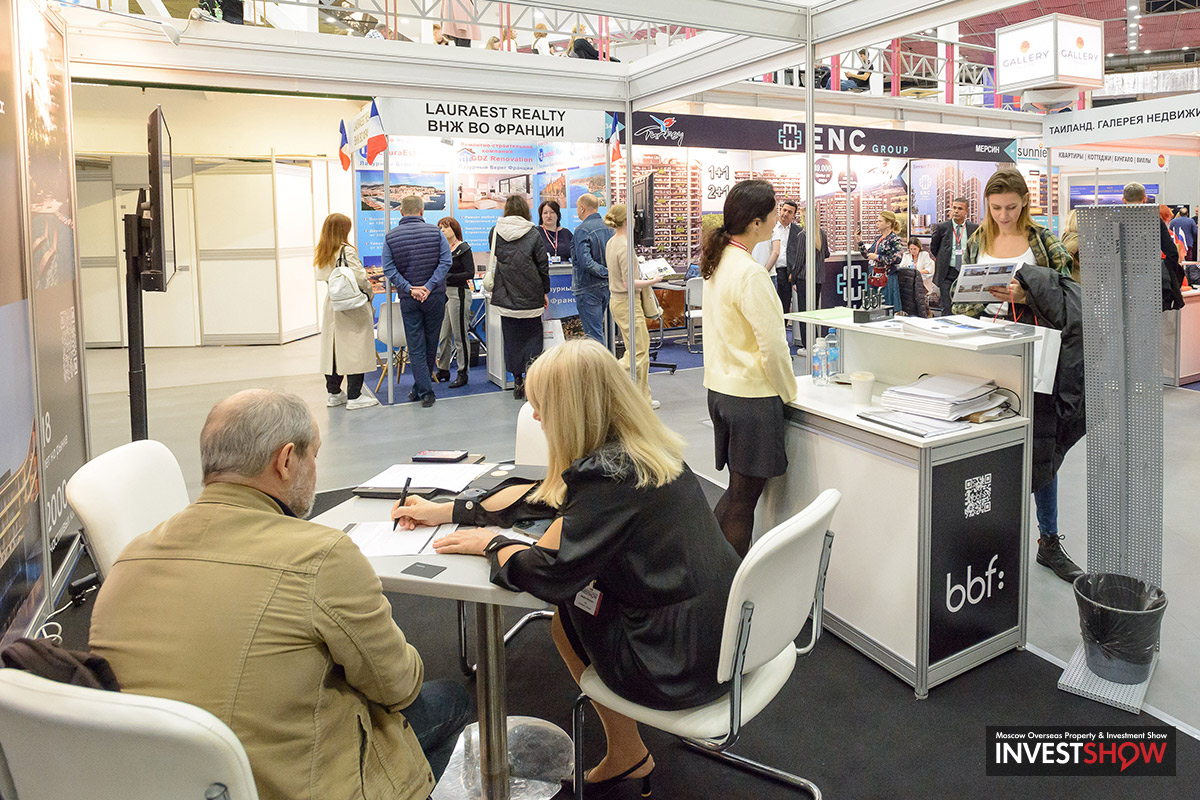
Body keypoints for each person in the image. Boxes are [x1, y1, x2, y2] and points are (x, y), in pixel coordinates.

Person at [391, 340, 740, 796]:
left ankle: (627, 752)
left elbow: (548, 575)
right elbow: (546, 495)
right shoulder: (642, 452)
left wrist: (491, 543)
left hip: (675, 664)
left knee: (572, 604)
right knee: (577, 604)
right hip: (723, 636)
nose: (535, 415)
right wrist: (450, 510)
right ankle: (627, 752)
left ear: (573, 409)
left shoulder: (608, 478)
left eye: (542, 406)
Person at [89, 389, 472, 800]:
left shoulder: (128, 560)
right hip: (295, 785)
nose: (315, 469)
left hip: (165, 784)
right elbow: (399, 685)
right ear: (286, 460)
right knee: (451, 699)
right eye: (314, 455)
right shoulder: (322, 557)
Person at [955, 170, 1083, 584]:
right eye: (996, 208)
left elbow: (1069, 295)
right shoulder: (976, 240)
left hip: (1034, 351)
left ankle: (1049, 541)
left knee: (1041, 448)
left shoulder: (1043, 240)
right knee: (983, 444)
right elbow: (961, 295)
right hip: (983, 349)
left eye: (1011, 207)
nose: (1004, 215)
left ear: (1025, 202)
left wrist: (1029, 294)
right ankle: (988, 538)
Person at [701, 180, 798, 557]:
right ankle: (727, 582)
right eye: (773, 214)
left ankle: (710, 570)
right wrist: (789, 392)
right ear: (756, 222)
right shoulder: (751, 273)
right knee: (743, 503)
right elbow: (773, 347)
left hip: (721, 392)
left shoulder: (719, 261)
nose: (777, 221)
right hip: (752, 402)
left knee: (736, 495)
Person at [383, 195, 452, 408]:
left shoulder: (391, 237)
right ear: (422, 211)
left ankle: (421, 388)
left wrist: (410, 288)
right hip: (435, 296)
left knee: (416, 345)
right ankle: (425, 390)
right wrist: (429, 287)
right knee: (431, 342)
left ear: (401, 212)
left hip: (409, 299)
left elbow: (389, 269)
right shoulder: (436, 232)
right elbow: (445, 262)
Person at [487, 194, 549, 399]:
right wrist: (545, 291)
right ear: (525, 210)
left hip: (505, 293)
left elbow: (498, 257)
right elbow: (542, 264)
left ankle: (517, 380)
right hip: (531, 292)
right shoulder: (533, 232)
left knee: (511, 339)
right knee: (533, 337)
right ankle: (532, 380)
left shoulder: (495, 231)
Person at [314, 213, 378, 410]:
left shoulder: (323, 251)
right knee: (355, 348)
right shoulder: (346, 251)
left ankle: (334, 393)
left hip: (332, 303)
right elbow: (360, 279)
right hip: (352, 305)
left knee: (332, 349)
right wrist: (369, 294)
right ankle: (354, 395)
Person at [605, 204, 659, 410]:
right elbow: (629, 283)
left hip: (618, 302)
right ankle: (611, 376)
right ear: (628, 220)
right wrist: (653, 280)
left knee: (637, 349)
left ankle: (642, 397)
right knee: (639, 352)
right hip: (628, 303)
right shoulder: (625, 246)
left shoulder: (612, 242)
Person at [1123, 182, 1185, 311]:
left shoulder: (1111, 220)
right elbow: (1172, 252)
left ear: (1123, 200)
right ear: (1145, 199)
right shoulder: (1153, 220)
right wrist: (1163, 270)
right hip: (1149, 283)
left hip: (1120, 283)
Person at [435, 216, 473, 388]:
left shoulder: (463, 248)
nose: (442, 230)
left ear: (454, 229)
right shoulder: (442, 250)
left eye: (445, 227)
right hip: (444, 294)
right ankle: (443, 369)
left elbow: (470, 273)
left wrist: (448, 277)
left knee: (459, 335)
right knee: (444, 335)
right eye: (440, 228)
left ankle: (462, 371)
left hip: (459, 293)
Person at [572, 193, 613, 344]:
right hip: (607, 287)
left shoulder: (582, 230)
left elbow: (585, 262)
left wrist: (604, 272)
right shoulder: (610, 228)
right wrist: (609, 273)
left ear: (582, 208)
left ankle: (601, 360)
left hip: (588, 288)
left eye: (577, 207)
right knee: (598, 331)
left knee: (593, 336)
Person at [787, 209, 830, 349]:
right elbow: (827, 254)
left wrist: (793, 277)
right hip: (818, 278)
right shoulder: (822, 234)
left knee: (804, 313)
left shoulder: (803, 235)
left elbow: (799, 260)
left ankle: (807, 345)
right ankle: (815, 342)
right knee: (814, 312)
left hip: (804, 279)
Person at [929, 197, 978, 315]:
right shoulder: (942, 227)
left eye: (960, 208)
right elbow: (934, 248)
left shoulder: (974, 228)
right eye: (954, 208)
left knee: (965, 308)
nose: (956, 211)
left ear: (966, 211)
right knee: (947, 308)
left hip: (966, 273)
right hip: (947, 273)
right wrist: (944, 259)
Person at [865, 211, 904, 312]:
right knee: (874, 306)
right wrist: (859, 242)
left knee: (886, 307)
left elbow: (897, 258)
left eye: (880, 221)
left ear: (888, 223)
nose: (877, 223)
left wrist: (878, 257)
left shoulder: (894, 239)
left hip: (886, 277)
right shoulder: (878, 238)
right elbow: (868, 255)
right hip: (874, 276)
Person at [538, 199, 574, 267]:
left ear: (558, 215)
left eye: (552, 212)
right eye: (545, 213)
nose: (549, 216)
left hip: (565, 270)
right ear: (541, 216)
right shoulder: (536, 233)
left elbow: (576, 255)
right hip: (543, 270)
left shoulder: (566, 233)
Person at [1060, 209, 1081, 285]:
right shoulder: (1077, 239)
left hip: (1070, 280)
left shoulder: (1067, 236)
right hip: (1077, 281)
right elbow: (1065, 255)